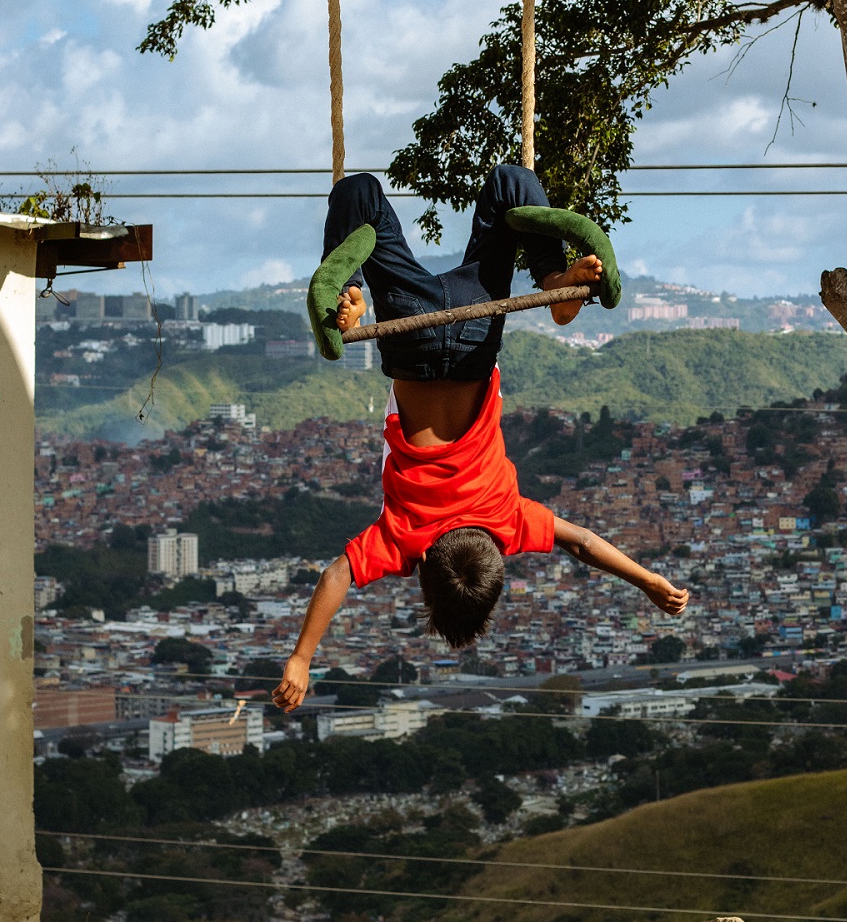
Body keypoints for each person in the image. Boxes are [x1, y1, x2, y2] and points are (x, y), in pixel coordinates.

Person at [273, 168, 689, 712]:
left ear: (497, 554)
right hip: (411, 328)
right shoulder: (406, 539)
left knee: (511, 184)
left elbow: (582, 542)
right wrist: (302, 658)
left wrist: (649, 581)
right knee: (358, 193)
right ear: (424, 574)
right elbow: (337, 576)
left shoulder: (508, 521)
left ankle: (548, 282)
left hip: (477, 328)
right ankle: (351, 295)